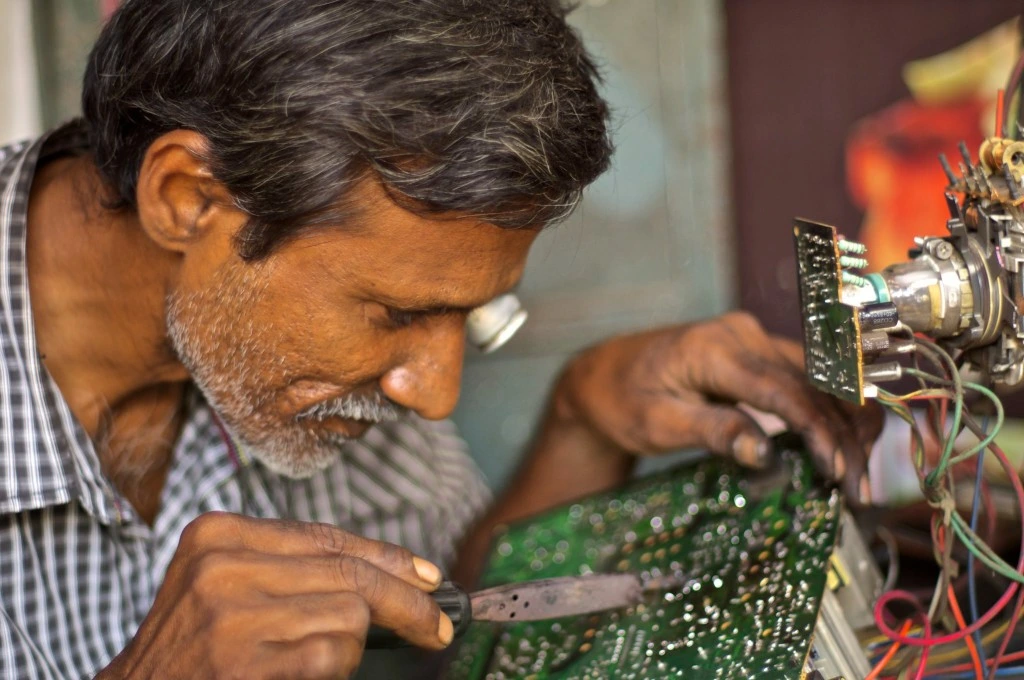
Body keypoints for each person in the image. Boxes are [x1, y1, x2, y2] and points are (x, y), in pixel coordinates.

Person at [0, 1, 881, 678]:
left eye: (471, 316)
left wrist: (583, 421)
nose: (434, 392)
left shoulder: (289, 360)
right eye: (395, 313)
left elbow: (446, 614)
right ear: (188, 196)